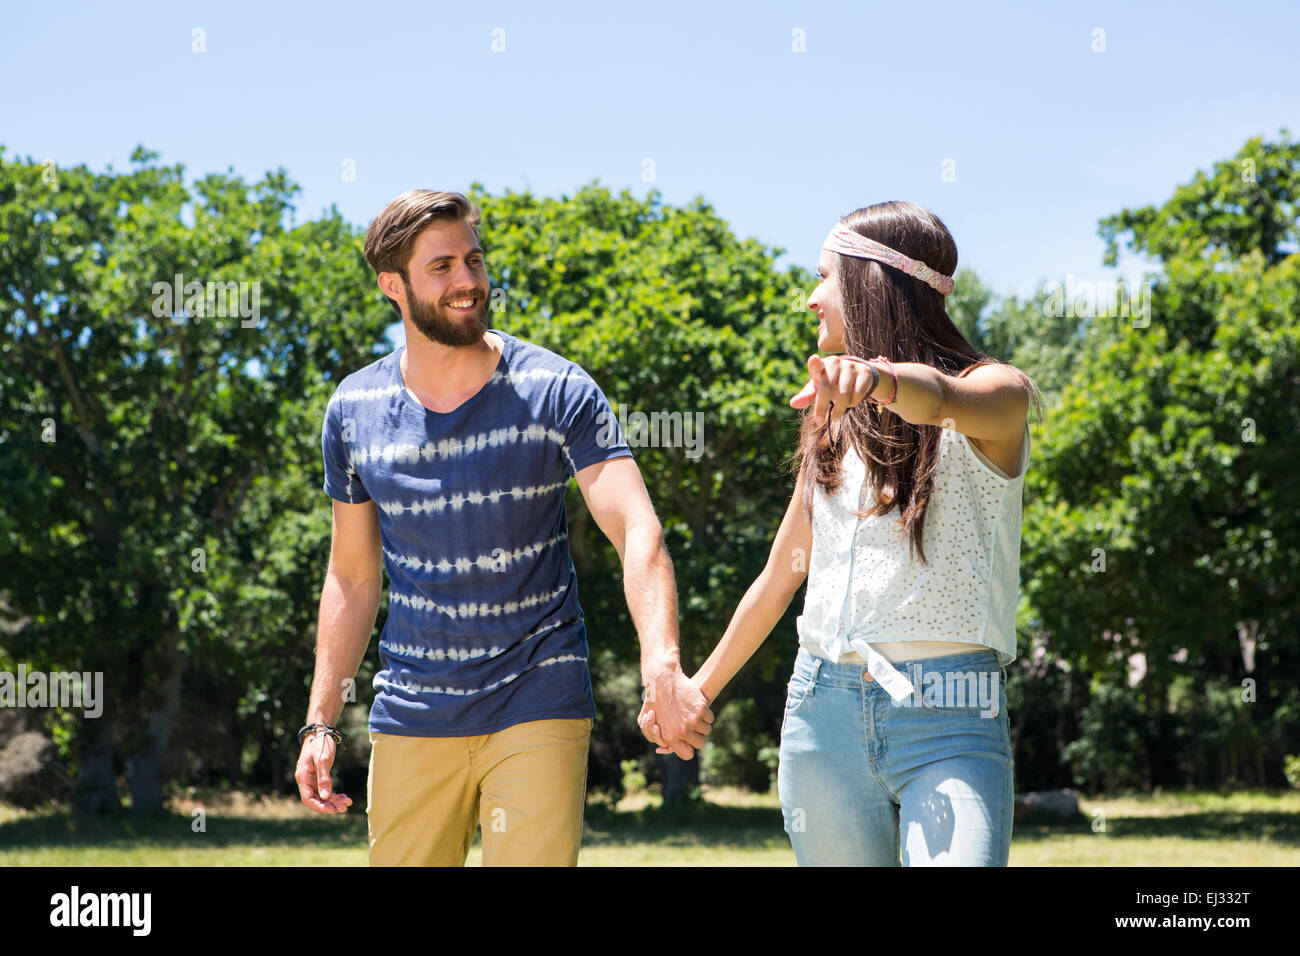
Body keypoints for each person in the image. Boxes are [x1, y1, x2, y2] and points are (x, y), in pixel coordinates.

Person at [295, 189, 712, 866]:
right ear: (391, 286)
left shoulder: (557, 390)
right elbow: (352, 574)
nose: (468, 281)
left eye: (474, 260)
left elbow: (637, 526)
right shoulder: (353, 410)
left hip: (538, 692)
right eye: (442, 268)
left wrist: (660, 662)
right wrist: (321, 721)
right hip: (412, 707)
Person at [640, 200, 1041, 865]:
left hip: (950, 713)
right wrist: (695, 691)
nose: (811, 297)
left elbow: (938, 398)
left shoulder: (996, 394)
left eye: (825, 275)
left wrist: (878, 379)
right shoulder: (833, 418)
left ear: (871, 281)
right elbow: (779, 578)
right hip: (821, 713)